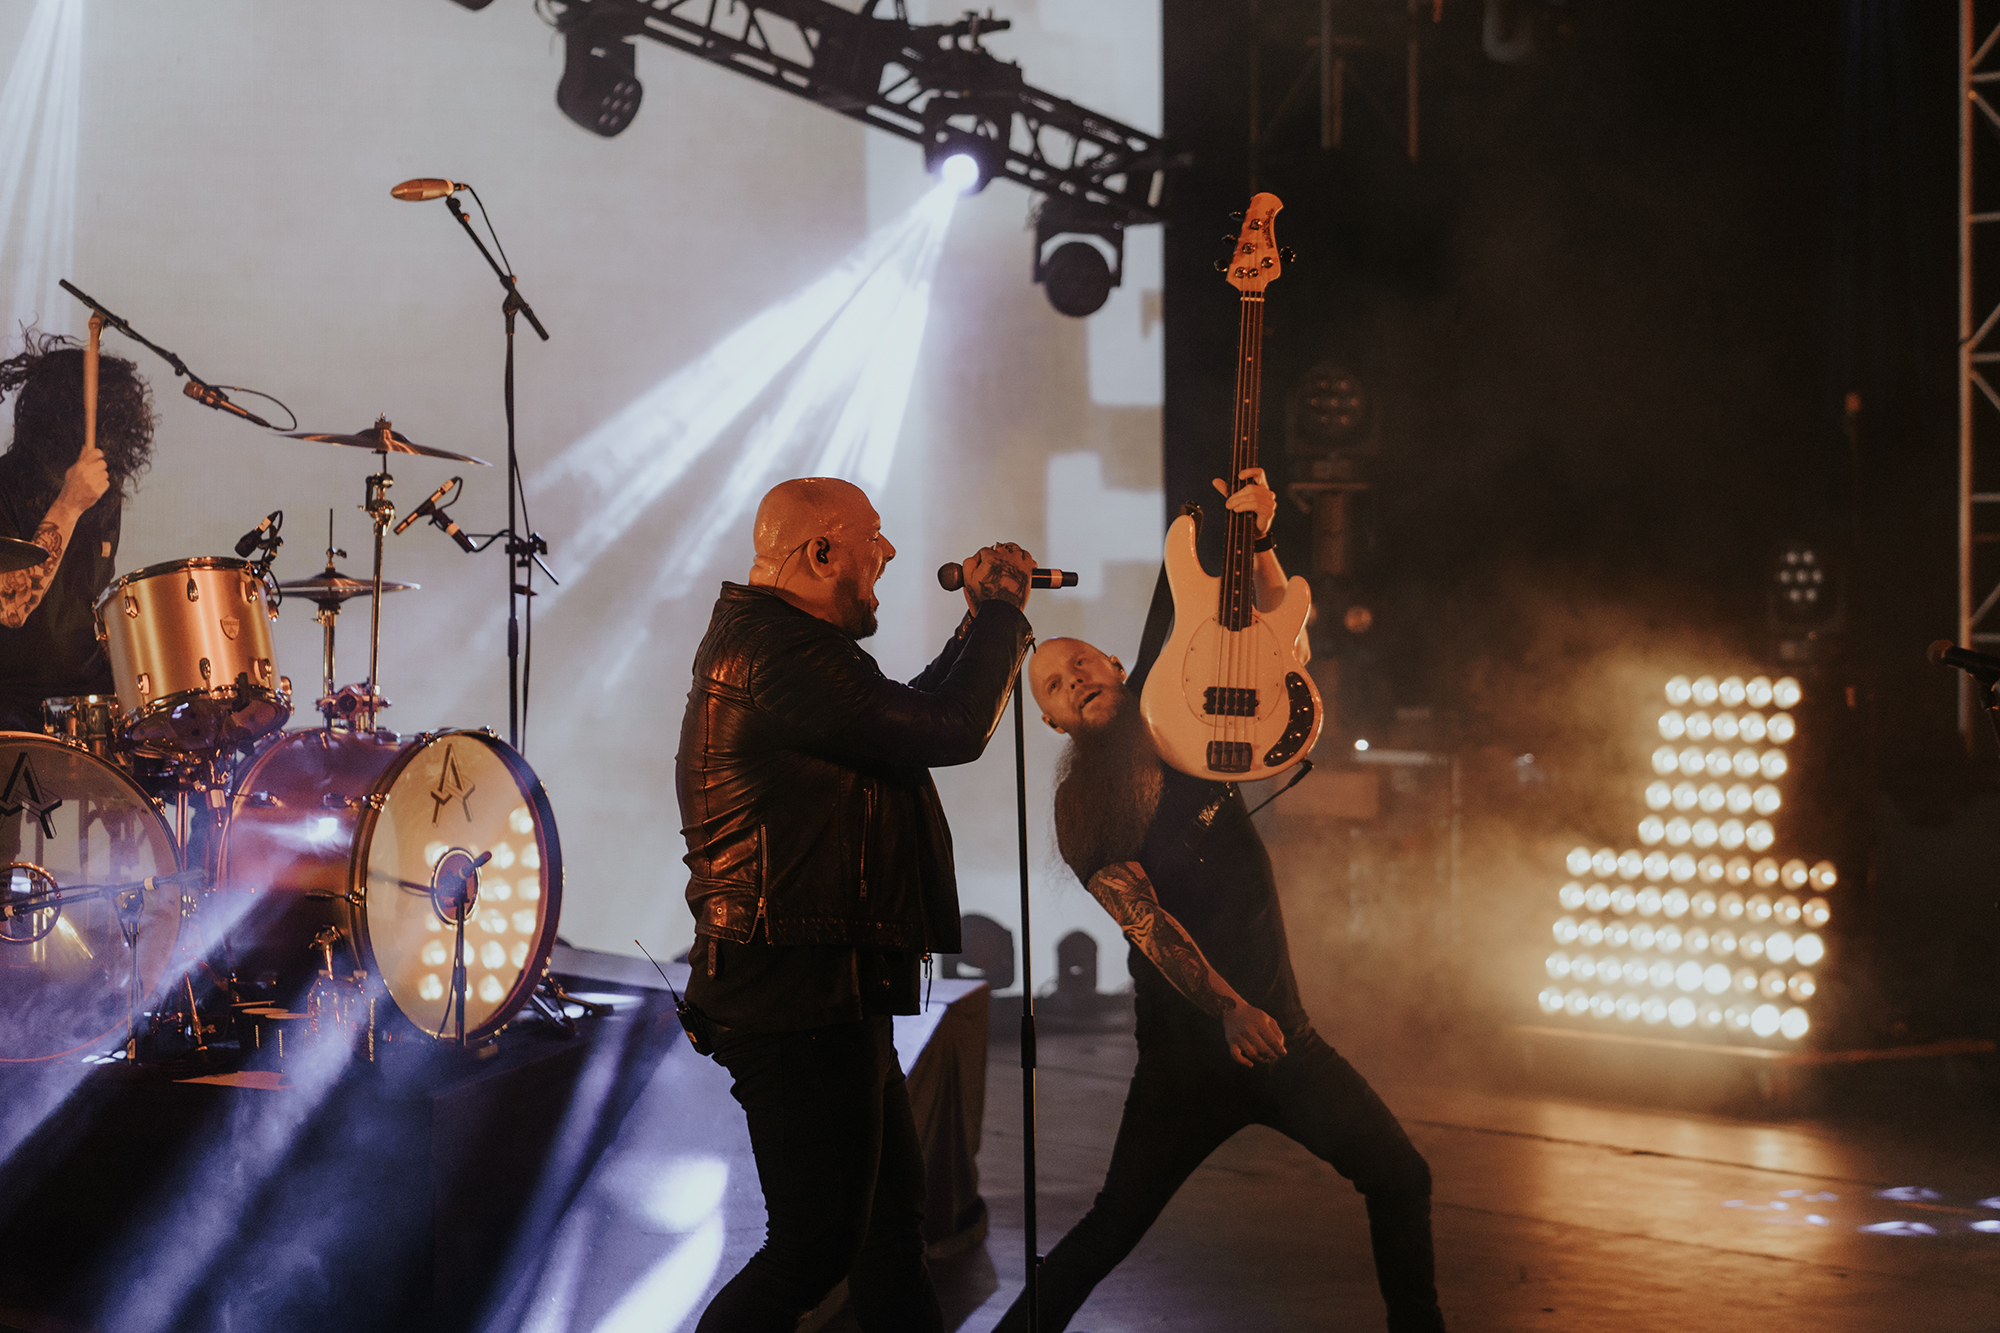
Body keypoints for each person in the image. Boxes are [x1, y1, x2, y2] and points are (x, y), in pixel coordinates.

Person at [998, 468, 1448, 1333]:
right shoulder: (1084, 805)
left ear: (1118, 664)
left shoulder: (1184, 707)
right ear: (1053, 723)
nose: (1075, 677)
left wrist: (1256, 530)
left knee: (1402, 1176)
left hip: (1284, 1039)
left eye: (1081, 659)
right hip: (1188, 1063)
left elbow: (1268, 630)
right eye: (1054, 685)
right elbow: (1146, 922)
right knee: (1110, 1227)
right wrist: (1230, 1008)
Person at [676, 476, 1036, 1332]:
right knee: (812, 1249)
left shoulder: (789, 646)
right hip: (790, 991)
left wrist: (975, 626)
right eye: (872, 538)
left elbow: (903, 721)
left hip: (828, 983)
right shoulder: (776, 651)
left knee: (886, 1235)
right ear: (820, 552)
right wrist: (998, 617)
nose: (890, 551)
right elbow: (949, 728)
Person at [0, 332, 155, 732]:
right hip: (13, 700)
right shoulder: (4, 487)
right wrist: (69, 505)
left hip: (88, 697)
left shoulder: (104, 496)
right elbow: (11, 609)